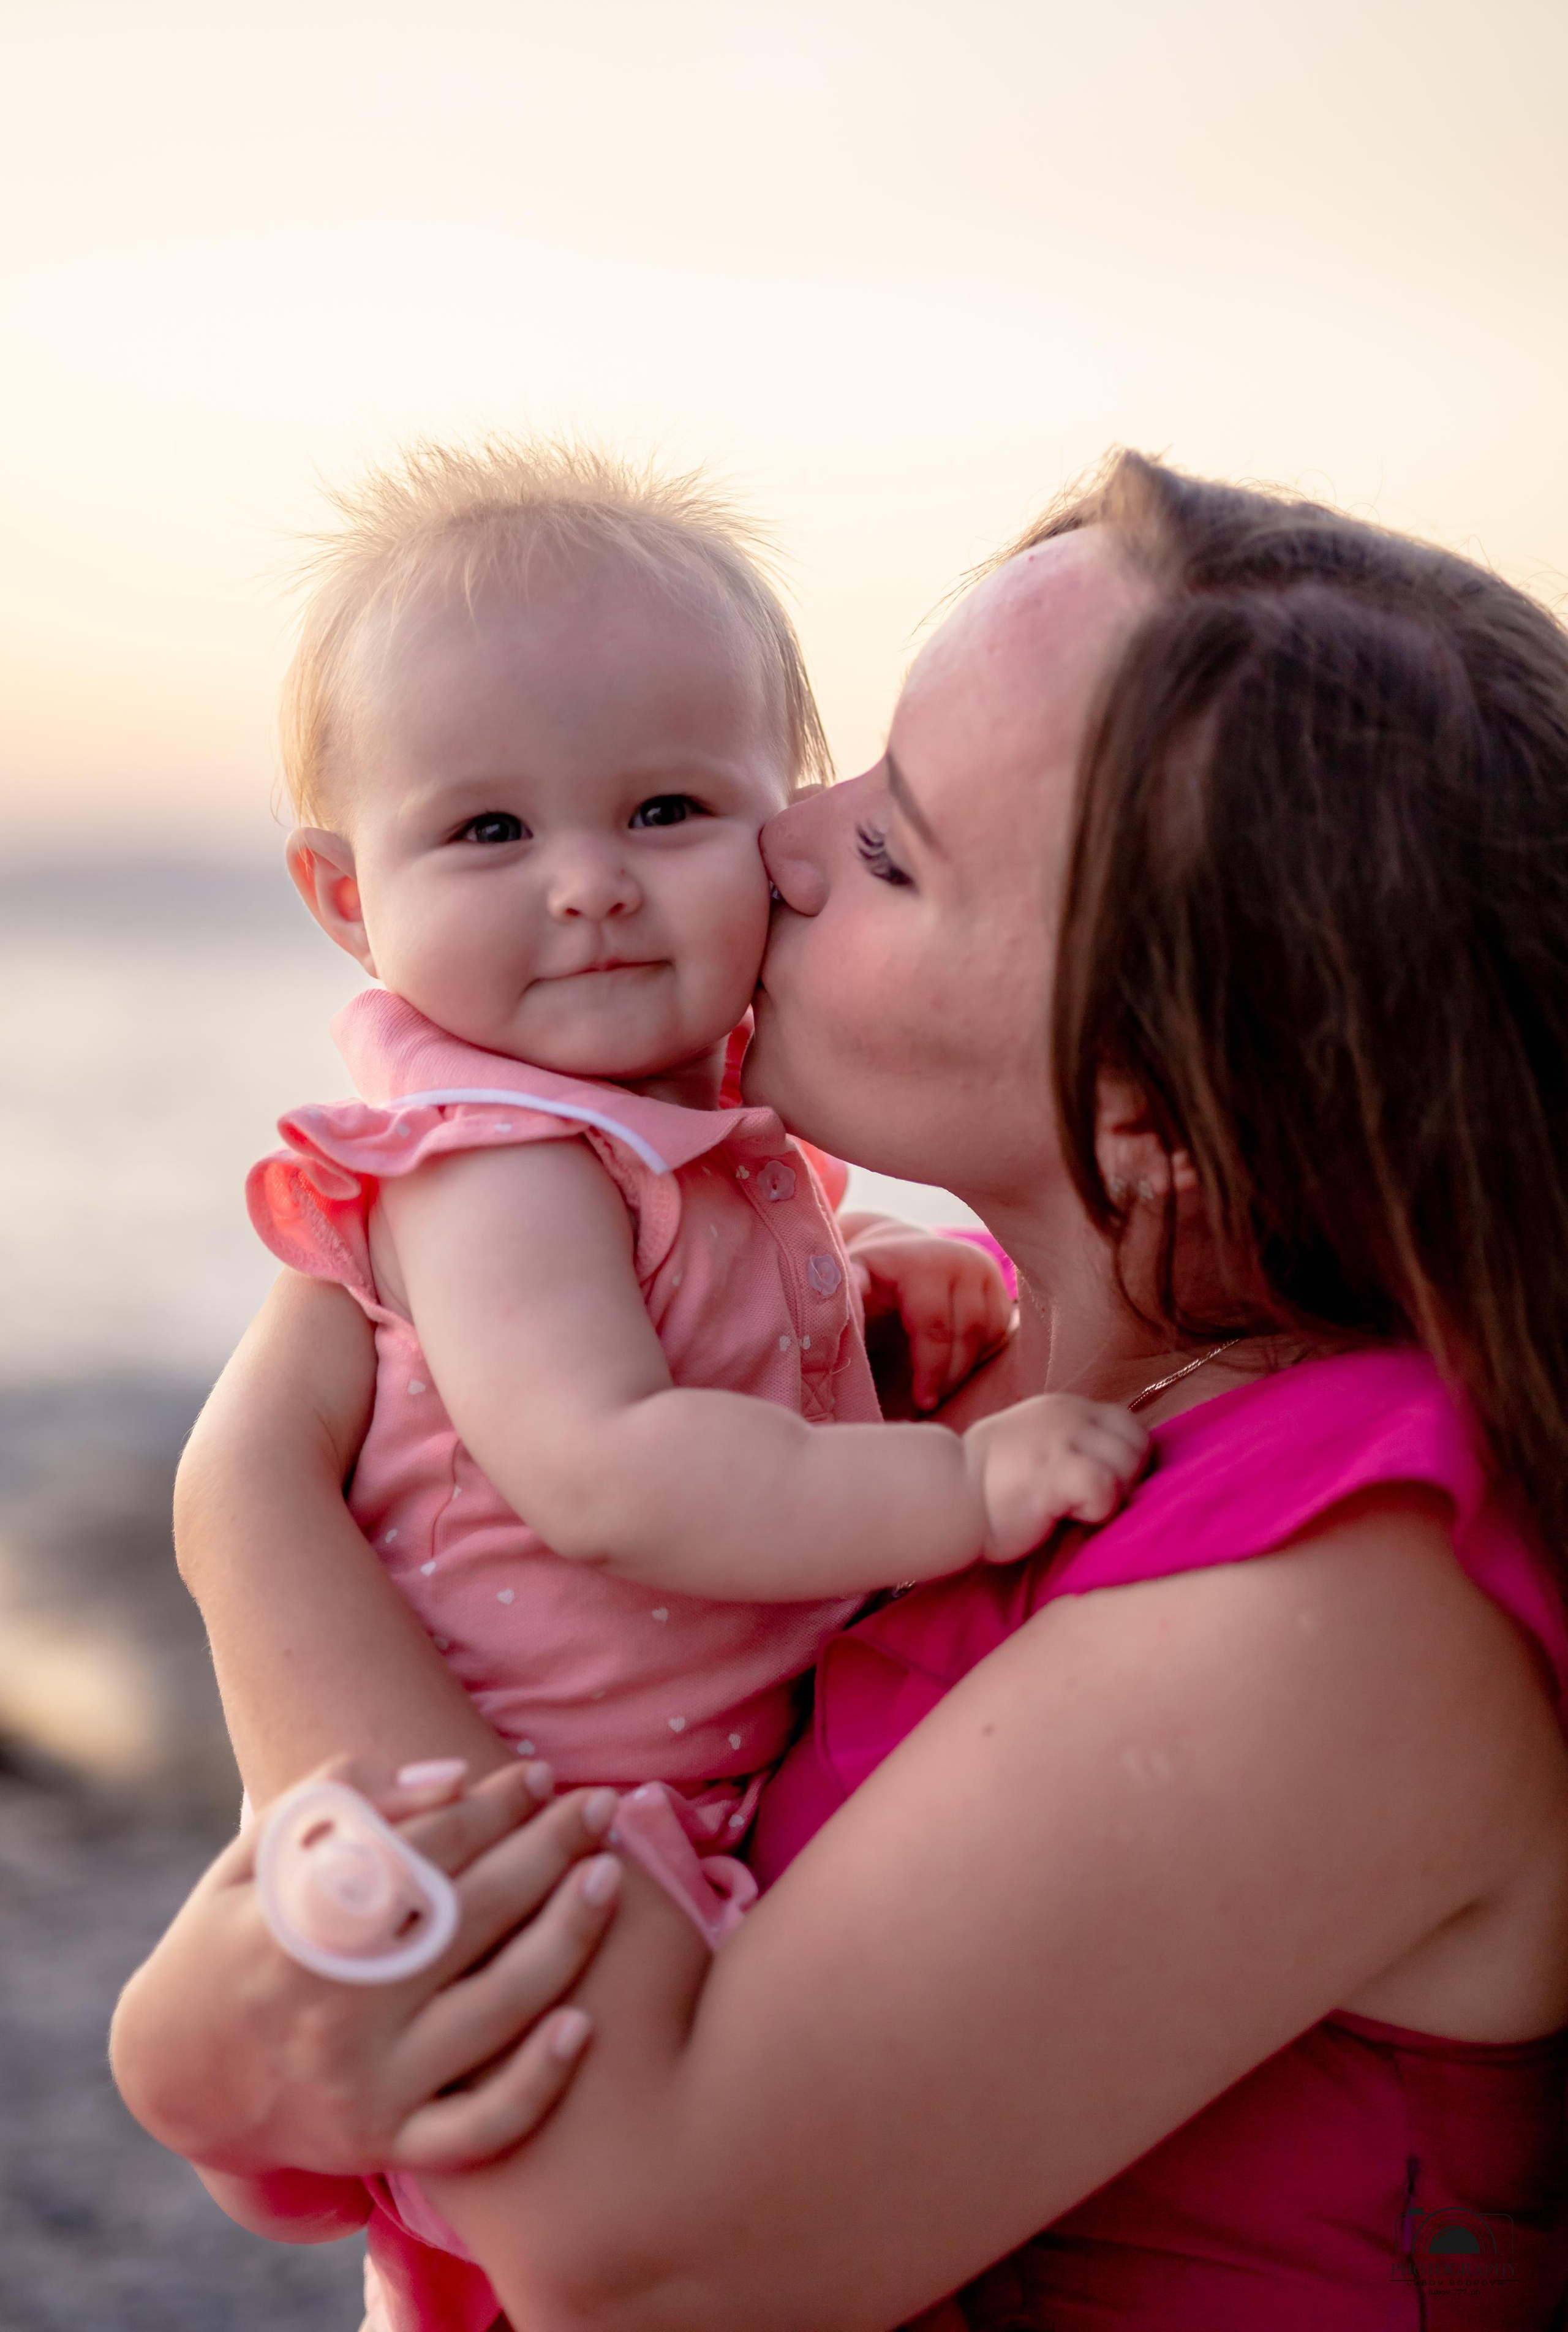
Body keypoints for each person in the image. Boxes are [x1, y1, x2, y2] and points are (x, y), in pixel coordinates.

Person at [114, 452, 1568, 2331]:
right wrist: (212, 2052)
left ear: (1151, 1096)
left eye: (894, 845)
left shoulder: (1353, 1583)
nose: (784, 834)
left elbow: (634, 2250)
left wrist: (249, 1515)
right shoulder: (941, 1398)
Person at [175, 438, 1147, 2316]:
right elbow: (612, 1465)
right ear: (343, 898)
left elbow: (701, 1335)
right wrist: (961, 1485)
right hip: (566, 1835)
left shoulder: (648, 1128)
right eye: (489, 834)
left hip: (660, 1813)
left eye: (667, 810)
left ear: (773, 828)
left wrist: (867, 1283)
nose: (591, 889)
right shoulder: (494, 1160)